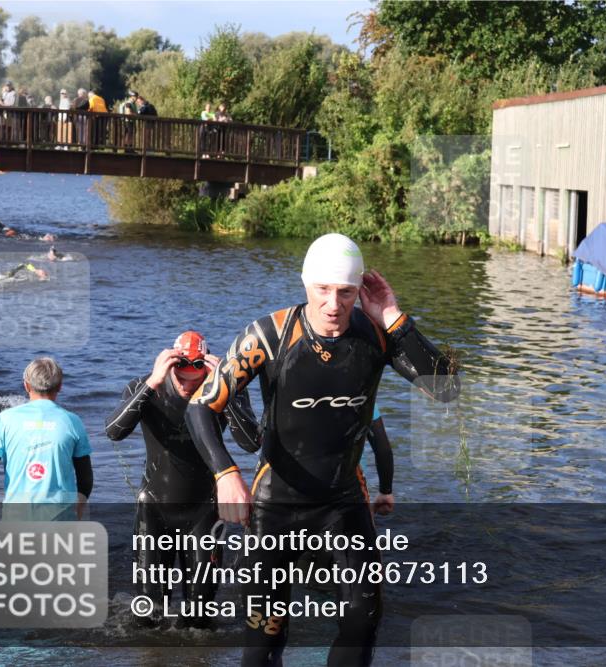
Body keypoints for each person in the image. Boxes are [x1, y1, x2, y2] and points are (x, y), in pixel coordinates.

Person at [186, 233, 459, 667]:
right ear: (305, 283)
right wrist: (225, 474)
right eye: (323, 290)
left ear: (358, 291)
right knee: (264, 640)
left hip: (343, 504)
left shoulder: (378, 334)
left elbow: (446, 388)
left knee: (362, 625)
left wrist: (393, 316)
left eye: (346, 292)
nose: (334, 304)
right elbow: (201, 407)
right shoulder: (269, 334)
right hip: (275, 506)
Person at [105, 331, 261, 627]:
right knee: (148, 615)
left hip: (204, 511)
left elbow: (251, 442)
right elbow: (114, 431)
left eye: (196, 379)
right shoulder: (146, 386)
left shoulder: (224, 390)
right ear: (171, 367)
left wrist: (225, 389)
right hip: (155, 509)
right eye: (182, 378)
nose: (189, 386)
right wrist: (153, 381)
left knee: (200, 617)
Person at [0, 357, 93, 549]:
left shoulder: (5, 419)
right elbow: (86, 477)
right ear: (59, 387)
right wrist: (80, 504)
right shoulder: (72, 421)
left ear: (26, 385)